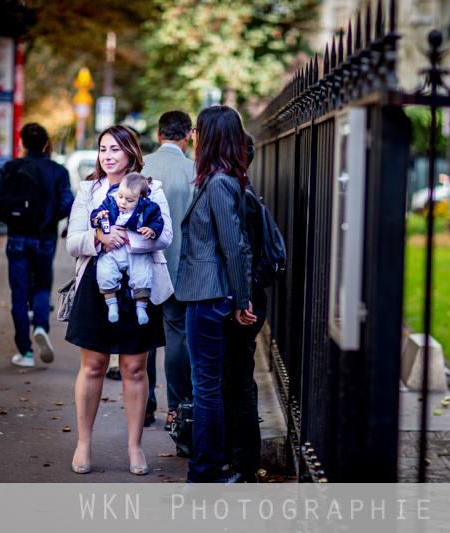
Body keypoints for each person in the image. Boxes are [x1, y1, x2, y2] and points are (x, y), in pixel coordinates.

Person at [65, 125, 173, 475]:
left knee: (134, 369)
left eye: (115, 149)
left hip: (139, 288)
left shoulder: (151, 187)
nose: (107, 156)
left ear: (130, 153)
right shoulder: (88, 189)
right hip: (97, 287)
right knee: (93, 366)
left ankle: (135, 446)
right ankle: (84, 443)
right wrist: (98, 238)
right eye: (102, 149)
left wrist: (126, 238)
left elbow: (165, 235)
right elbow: (72, 240)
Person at [174, 106, 256, 483]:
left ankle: (203, 473)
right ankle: (206, 469)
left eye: (199, 131)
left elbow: (235, 246)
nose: (194, 137)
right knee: (208, 384)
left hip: (210, 296)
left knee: (205, 386)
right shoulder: (218, 179)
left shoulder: (220, 182)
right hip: (207, 294)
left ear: (210, 137)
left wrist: (242, 301)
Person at [0, 123, 73, 368]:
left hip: (16, 237)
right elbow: (68, 203)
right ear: (46, 143)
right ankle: (41, 327)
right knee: (41, 286)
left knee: (18, 293)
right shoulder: (58, 171)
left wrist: (11, 218)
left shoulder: (10, 167)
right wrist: (49, 219)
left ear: (23, 143)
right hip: (44, 238)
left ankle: (24, 352)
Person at [141, 110, 195, 431]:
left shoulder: (139, 165)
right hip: (179, 267)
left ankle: (144, 405)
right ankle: (176, 408)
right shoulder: (195, 170)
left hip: (141, 265)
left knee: (145, 337)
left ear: (160, 134)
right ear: (188, 136)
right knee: (177, 337)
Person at [221, 133, 267, 483]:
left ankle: (245, 467)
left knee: (237, 384)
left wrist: (241, 301)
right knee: (233, 381)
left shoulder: (240, 198)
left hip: (244, 302)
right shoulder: (240, 192)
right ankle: (234, 460)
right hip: (243, 299)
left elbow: (243, 255)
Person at [90, 172, 164, 325]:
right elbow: (96, 215)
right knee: (105, 270)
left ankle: (141, 307)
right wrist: (98, 218)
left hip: (135, 250)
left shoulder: (149, 208)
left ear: (141, 199)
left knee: (142, 274)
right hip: (113, 249)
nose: (122, 202)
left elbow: (157, 221)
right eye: (120, 196)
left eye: (129, 200)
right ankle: (112, 305)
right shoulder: (110, 201)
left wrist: (152, 230)